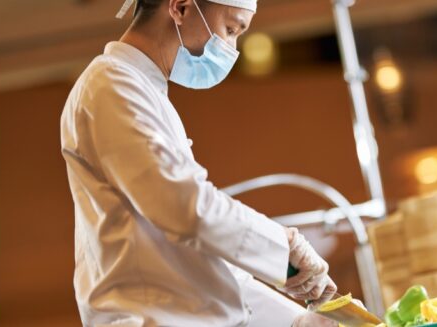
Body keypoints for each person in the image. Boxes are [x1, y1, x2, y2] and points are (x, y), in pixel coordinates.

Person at [60, 0, 338, 325]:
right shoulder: (109, 85)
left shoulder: (143, 90)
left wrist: (296, 321)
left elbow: (199, 263)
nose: (231, 48)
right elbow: (187, 208)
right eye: (230, 29)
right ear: (179, 7)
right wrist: (282, 246)